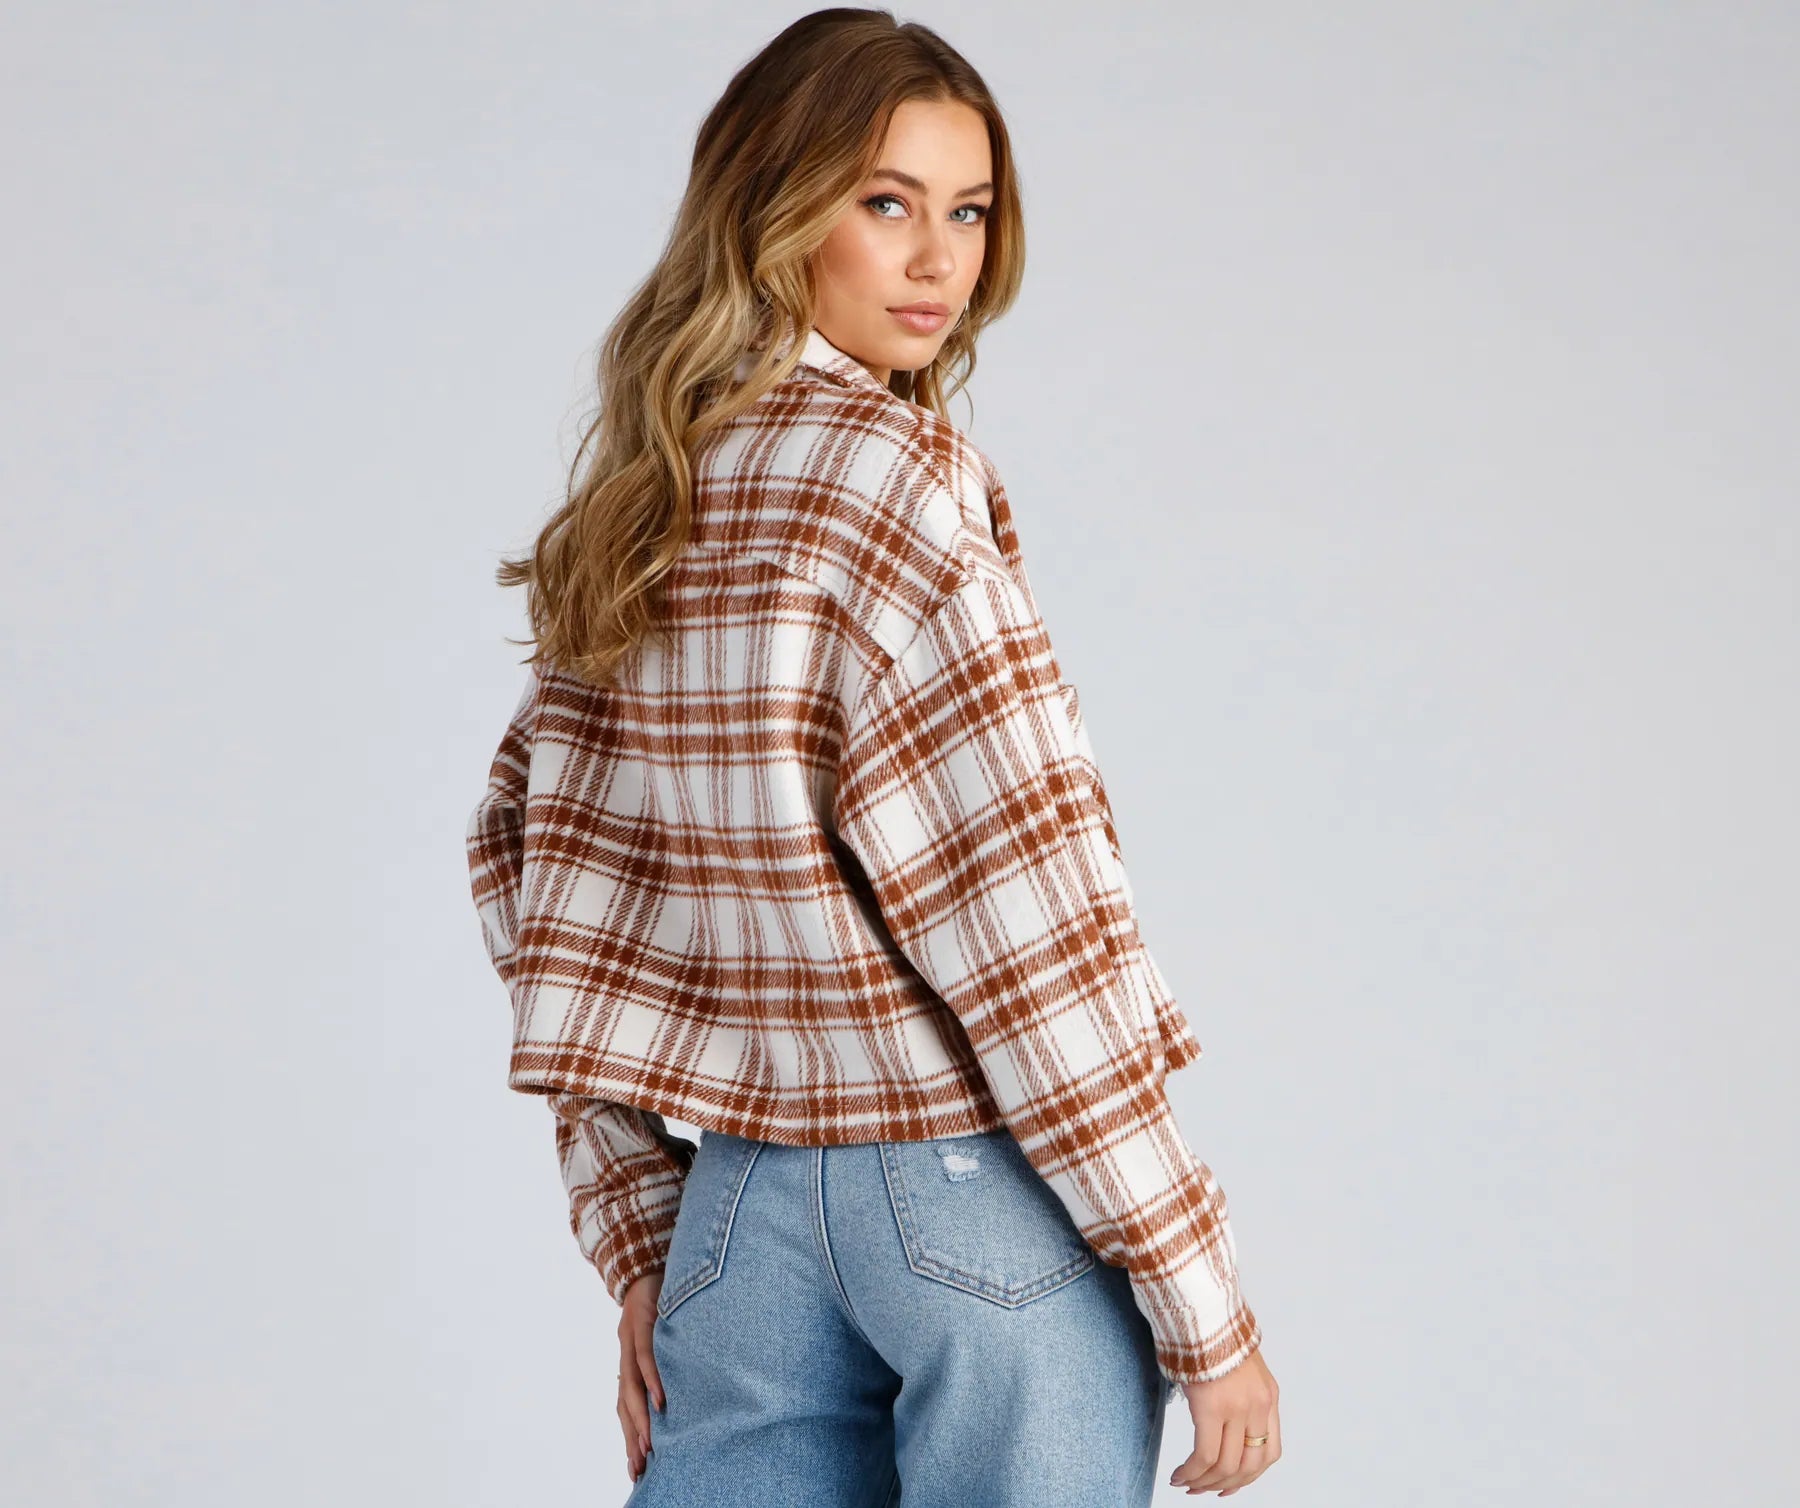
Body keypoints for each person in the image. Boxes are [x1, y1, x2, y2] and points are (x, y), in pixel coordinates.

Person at [465, 8, 1281, 1503]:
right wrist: (1201, 1302)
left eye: (968, 212)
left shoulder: (644, 502)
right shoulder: (899, 481)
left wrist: (646, 1236)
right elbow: (1026, 921)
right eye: (886, 202)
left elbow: (540, 894)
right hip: (967, 1202)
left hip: (745, 1214)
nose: (938, 260)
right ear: (773, 211)